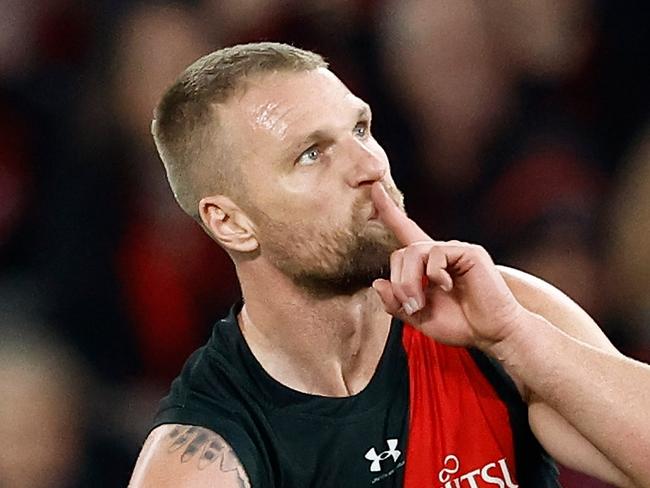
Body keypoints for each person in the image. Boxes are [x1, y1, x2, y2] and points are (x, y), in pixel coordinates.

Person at [129, 42, 650, 488]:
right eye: (312, 153)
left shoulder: (499, 314)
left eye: (360, 129)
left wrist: (514, 337)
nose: (371, 166)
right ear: (231, 222)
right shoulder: (204, 458)